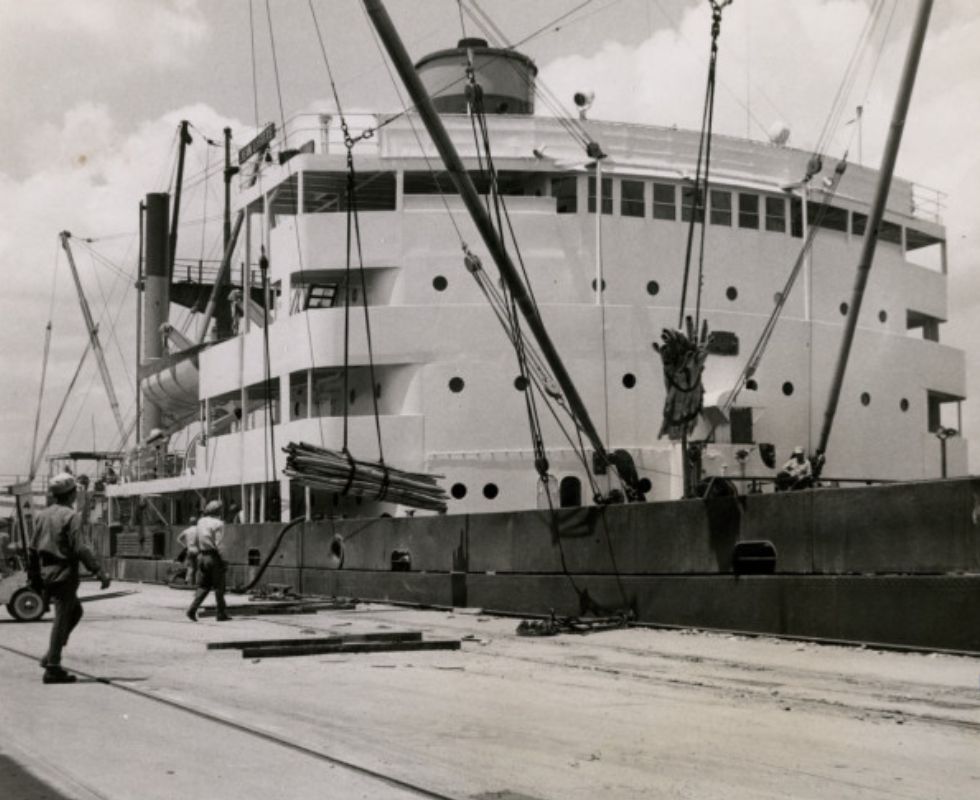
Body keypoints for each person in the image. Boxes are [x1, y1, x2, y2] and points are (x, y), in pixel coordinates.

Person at [27, 473, 111, 684]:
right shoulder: (70, 516)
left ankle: (50, 656)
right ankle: (53, 667)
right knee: (62, 617)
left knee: (76, 612)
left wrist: (34, 578)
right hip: (64, 573)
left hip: (46, 573)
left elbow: (32, 550)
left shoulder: (42, 515)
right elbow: (80, 547)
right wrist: (98, 570)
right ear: (72, 493)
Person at [185, 500, 230, 622]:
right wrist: (224, 560)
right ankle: (221, 614)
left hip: (201, 556)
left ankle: (192, 610)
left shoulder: (200, 521)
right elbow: (219, 544)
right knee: (219, 586)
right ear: (219, 511)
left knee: (203, 586)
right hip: (213, 557)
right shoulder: (219, 523)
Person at [176, 516, 199, 585]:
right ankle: (196, 583)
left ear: (190, 522)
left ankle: (187, 581)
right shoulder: (198, 530)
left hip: (189, 550)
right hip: (197, 550)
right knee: (197, 567)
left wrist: (185, 546)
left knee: (190, 567)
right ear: (196, 522)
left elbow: (178, 539)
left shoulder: (186, 531)